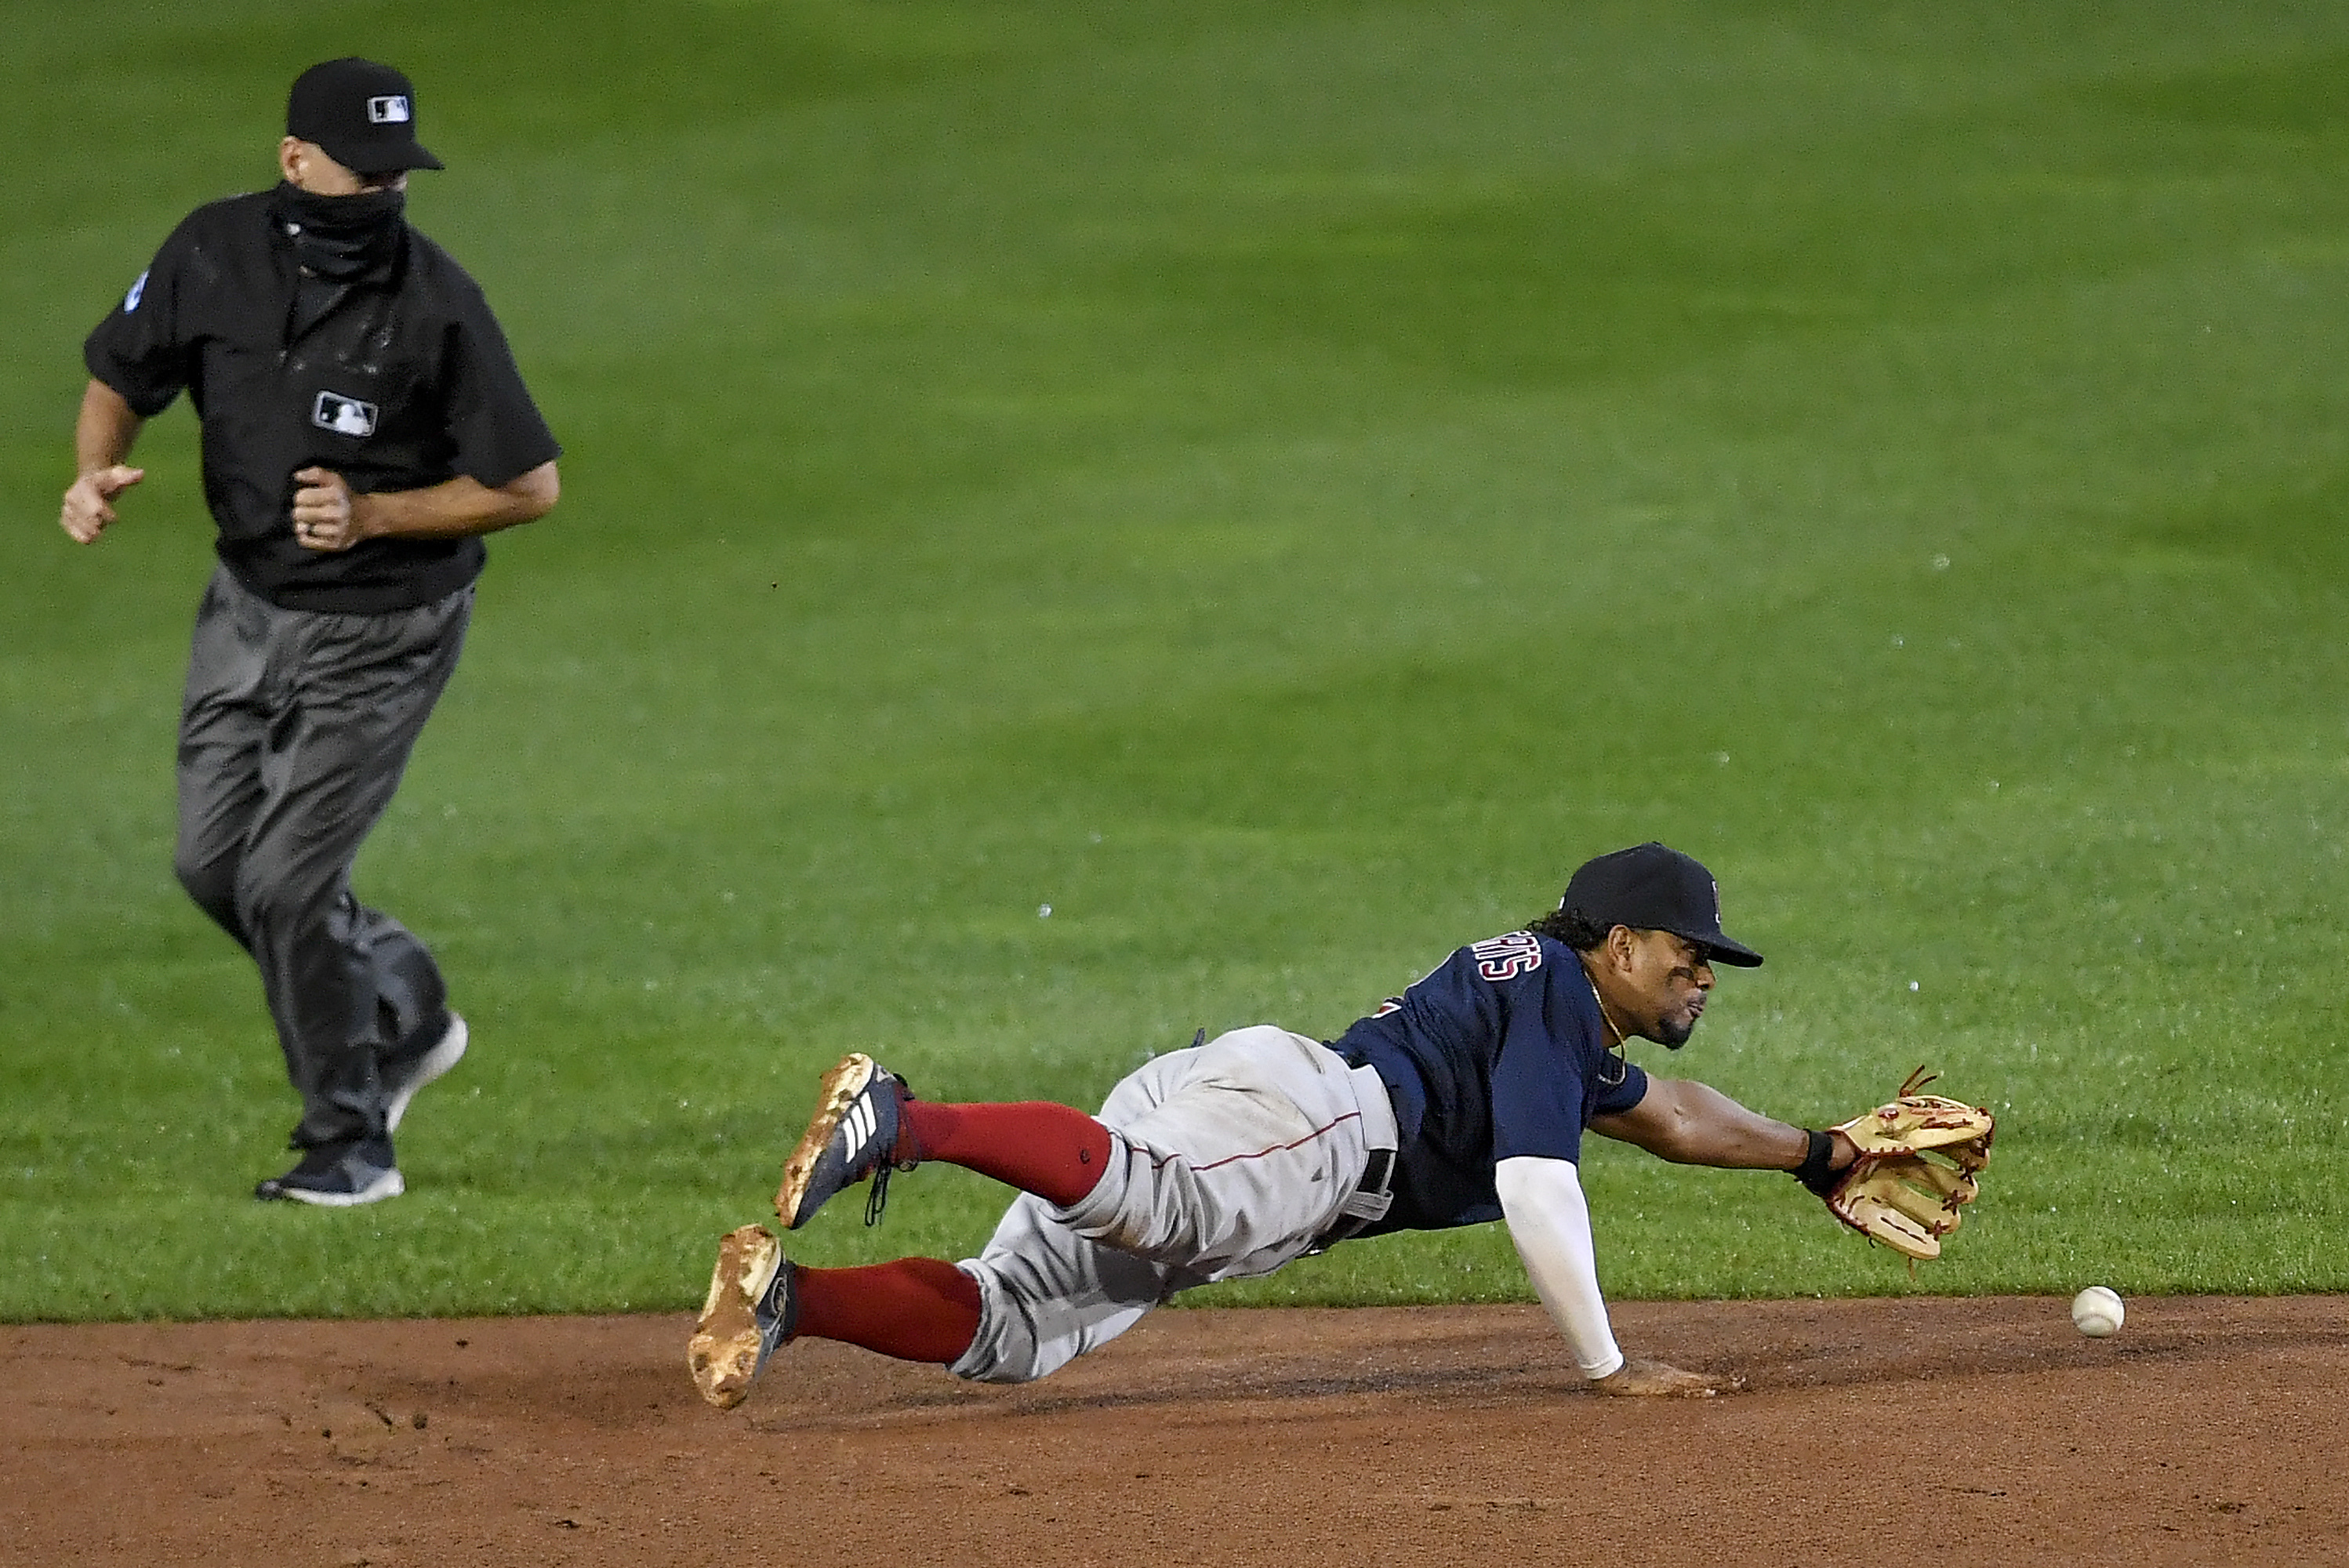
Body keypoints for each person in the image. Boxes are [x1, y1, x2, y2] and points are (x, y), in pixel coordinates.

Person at [688, 842, 1871, 1406]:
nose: (1703, 977)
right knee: (1160, 1198)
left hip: (1274, 1115)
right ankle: (902, 1120)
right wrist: (1609, 1366)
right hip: (1311, 1134)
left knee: (1019, 1328)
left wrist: (1819, 1154)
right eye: (1687, 954)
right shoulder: (1559, 1002)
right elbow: (1534, 1186)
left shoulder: (1554, 1014)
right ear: (1619, 946)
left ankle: (789, 1298)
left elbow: (1672, 1119)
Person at [60, 58, 562, 1206]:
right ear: (294, 161)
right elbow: (117, 371)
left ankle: (351, 1141)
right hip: (245, 607)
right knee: (212, 866)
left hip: (384, 630)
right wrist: (93, 474)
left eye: (396, 173)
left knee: (285, 884)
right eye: (360, 169)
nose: (380, 193)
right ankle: (407, 1002)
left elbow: (529, 486)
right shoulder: (211, 251)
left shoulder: (438, 301)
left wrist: (378, 512)